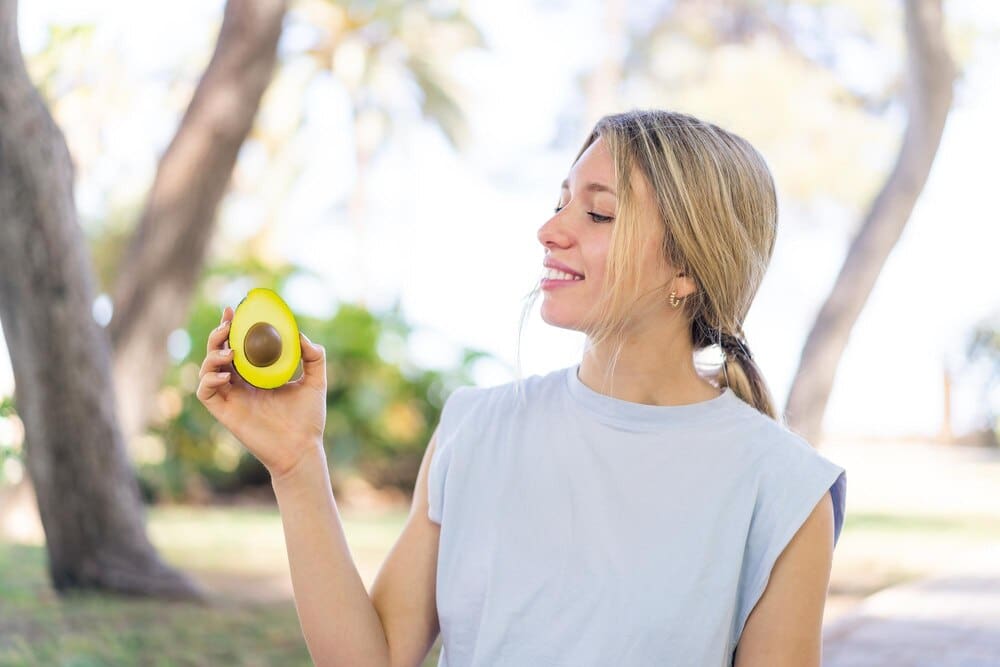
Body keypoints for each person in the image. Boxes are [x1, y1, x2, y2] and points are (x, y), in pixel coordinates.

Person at [198, 108, 847, 667]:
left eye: (598, 212)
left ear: (686, 267)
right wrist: (295, 464)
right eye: (560, 201)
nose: (552, 229)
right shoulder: (476, 427)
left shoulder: (782, 489)